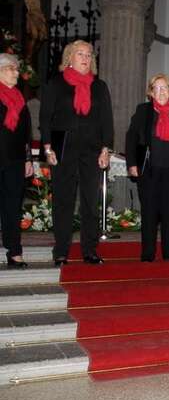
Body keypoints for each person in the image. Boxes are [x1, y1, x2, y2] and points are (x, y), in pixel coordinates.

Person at [40, 40, 113, 266]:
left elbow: (106, 120)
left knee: (91, 201)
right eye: (80, 54)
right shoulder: (56, 83)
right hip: (62, 147)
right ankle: (61, 251)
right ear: (69, 58)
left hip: (92, 149)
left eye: (89, 55)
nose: (85, 58)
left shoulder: (99, 86)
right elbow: (45, 117)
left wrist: (106, 148)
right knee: (63, 201)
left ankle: (89, 250)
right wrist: (47, 147)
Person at [125, 74, 169, 262]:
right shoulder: (143, 111)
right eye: (156, 88)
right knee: (149, 211)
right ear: (150, 93)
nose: (161, 91)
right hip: (149, 169)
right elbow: (131, 137)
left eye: (164, 87)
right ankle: (148, 254)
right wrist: (131, 163)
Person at [0, 53, 34, 268]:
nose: (16, 73)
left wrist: (28, 159)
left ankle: (14, 251)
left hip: (15, 160)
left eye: (16, 69)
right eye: (11, 68)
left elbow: (26, 132)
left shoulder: (20, 99)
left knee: (13, 206)